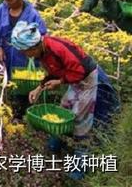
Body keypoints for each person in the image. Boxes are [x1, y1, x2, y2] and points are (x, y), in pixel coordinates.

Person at [11, 21, 120, 179]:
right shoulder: (42, 52)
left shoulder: (57, 48)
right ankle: (57, 141)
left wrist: (60, 82)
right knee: (65, 108)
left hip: (88, 79)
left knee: (81, 119)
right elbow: (54, 71)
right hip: (74, 80)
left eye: (24, 52)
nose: (24, 55)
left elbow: (80, 70)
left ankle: (79, 163)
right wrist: (39, 88)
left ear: (33, 47)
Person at [0, 0, 47, 79]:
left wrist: (30, 50)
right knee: (3, 80)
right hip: (4, 53)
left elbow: (41, 33)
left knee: (22, 82)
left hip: (24, 56)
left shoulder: (32, 14)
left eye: (9, 0)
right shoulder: (0, 10)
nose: (6, 2)